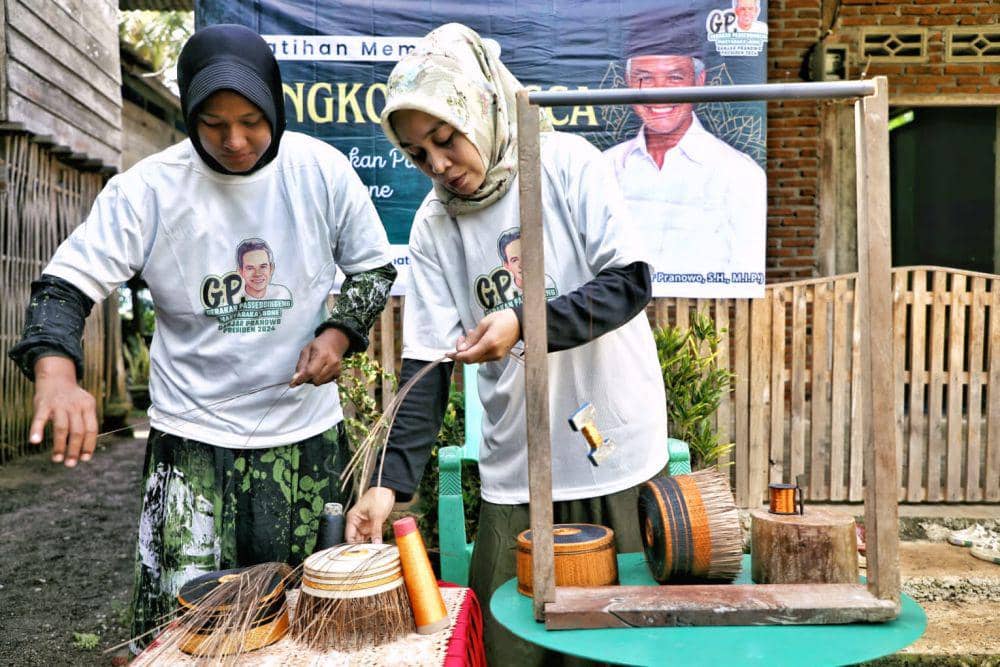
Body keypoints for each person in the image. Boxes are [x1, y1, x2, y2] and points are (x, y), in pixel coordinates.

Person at [7, 24, 396, 652]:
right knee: (186, 631)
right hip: (191, 442)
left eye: (251, 120)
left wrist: (338, 332)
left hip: (304, 438)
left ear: (276, 106)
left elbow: (374, 267)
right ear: (189, 112)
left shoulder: (322, 172)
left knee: (305, 624)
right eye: (213, 124)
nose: (234, 140)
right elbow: (63, 287)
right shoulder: (149, 190)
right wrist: (56, 373)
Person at [344, 23, 668, 665]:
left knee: (626, 644)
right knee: (514, 646)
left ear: (483, 108)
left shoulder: (565, 166)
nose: (438, 164)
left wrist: (524, 321)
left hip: (619, 460)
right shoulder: (436, 225)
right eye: (417, 154)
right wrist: (387, 485)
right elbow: (426, 366)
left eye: (445, 138)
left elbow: (628, 286)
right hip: (516, 475)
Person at [603, 17, 766, 276]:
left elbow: (747, 270)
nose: (659, 93)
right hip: (618, 314)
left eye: (674, 78)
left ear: (699, 81)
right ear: (627, 82)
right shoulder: (603, 168)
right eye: (644, 79)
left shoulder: (740, 174)